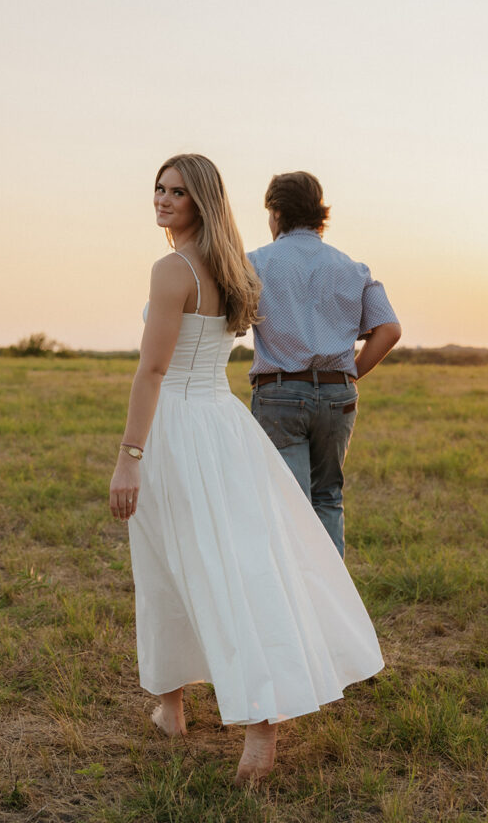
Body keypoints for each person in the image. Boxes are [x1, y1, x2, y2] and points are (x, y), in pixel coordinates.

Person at [109, 154, 384, 784]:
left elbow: (152, 371)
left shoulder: (172, 269)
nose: (162, 199)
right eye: (158, 188)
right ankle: (171, 706)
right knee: (202, 561)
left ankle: (258, 731)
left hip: (178, 427)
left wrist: (129, 457)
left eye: (176, 192)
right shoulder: (231, 269)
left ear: (202, 201)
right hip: (225, 425)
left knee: (181, 565)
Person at [248, 171, 401, 559]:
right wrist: (349, 371)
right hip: (338, 394)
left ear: (277, 212)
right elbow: (389, 330)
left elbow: (228, 325)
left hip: (280, 394)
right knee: (328, 497)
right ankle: (332, 605)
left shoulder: (255, 265)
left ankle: (297, 600)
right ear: (319, 213)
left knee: (289, 502)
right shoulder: (352, 268)